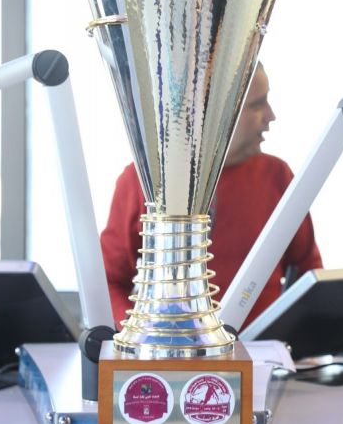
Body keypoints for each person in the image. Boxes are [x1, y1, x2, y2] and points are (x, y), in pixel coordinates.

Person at [100, 64, 322, 331]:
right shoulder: (142, 181)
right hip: (172, 349)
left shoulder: (278, 176)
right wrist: (141, 337)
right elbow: (108, 282)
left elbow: (309, 273)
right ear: (216, 113)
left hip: (261, 350)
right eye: (257, 105)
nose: (270, 116)